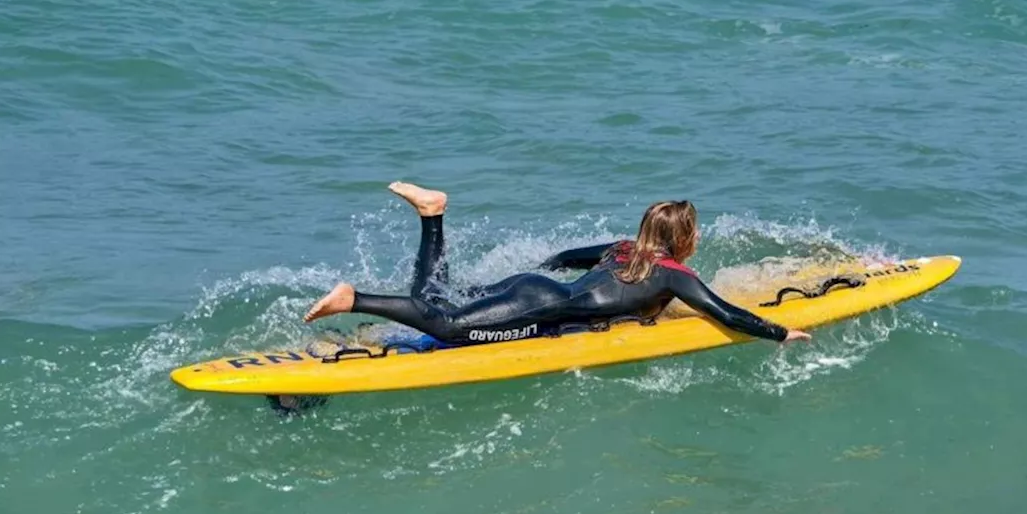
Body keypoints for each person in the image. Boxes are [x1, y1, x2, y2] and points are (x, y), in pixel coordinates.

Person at [303, 182, 812, 345]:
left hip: (534, 286)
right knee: (448, 328)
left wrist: (535, 267)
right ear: (684, 239)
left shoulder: (622, 249)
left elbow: (567, 258)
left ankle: (432, 215)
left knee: (437, 297)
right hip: (542, 307)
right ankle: (355, 299)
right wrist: (779, 333)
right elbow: (726, 314)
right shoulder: (674, 275)